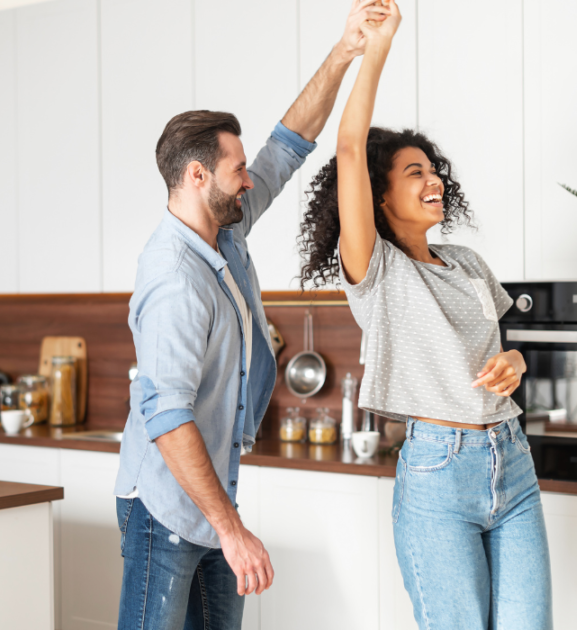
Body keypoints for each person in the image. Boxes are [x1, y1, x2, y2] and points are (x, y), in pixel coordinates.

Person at [112, 2, 394, 628]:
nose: (248, 180)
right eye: (236, 171)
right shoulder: (174, 279)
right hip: (167, 507)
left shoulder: (224, 230)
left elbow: (289, 144)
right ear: (195, 176)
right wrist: (231, 530)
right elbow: (166, 416)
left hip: (213, 500)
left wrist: (347, 49)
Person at [298, 2, 553, 628]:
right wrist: (376, 48)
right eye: (415, 171)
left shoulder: (466, 263)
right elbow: (351, 148)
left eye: (434, 168)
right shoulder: (376, 269)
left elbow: (509, 348)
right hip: (439, 475)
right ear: (379, 196)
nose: (433, 177)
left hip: (512, 461)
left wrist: (517, 360)